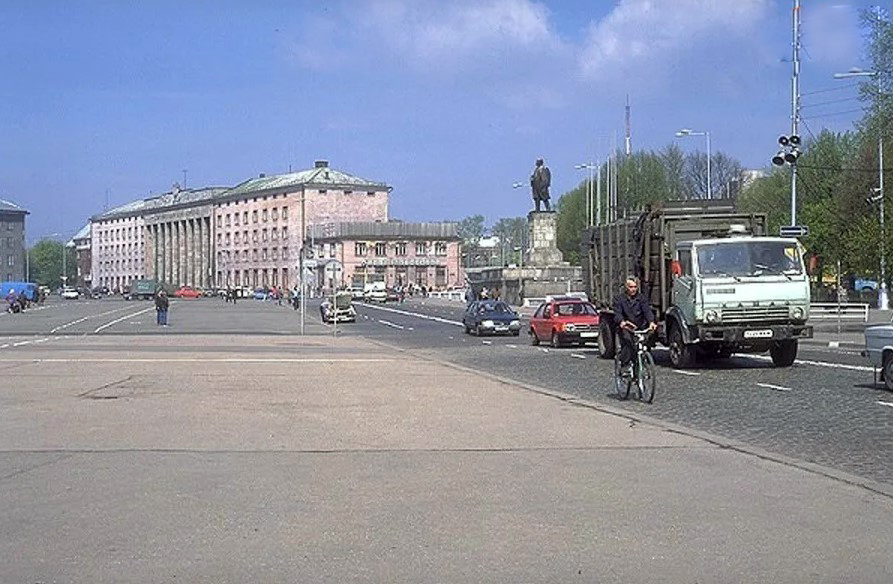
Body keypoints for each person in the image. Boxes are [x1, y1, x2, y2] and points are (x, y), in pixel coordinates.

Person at [613, 276, 657, 375]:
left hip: (639, 327)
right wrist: (622, 322)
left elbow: (647, 311)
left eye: (635, 287)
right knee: (628, 343)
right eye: (631, 287)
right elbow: (617, 313)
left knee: (643, 343)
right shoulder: (619, 299)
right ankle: (625, 365)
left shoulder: (641, 298)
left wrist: (651, 322)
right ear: (626, 287)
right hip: (626, 327)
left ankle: (640, 365)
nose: (633, 289)